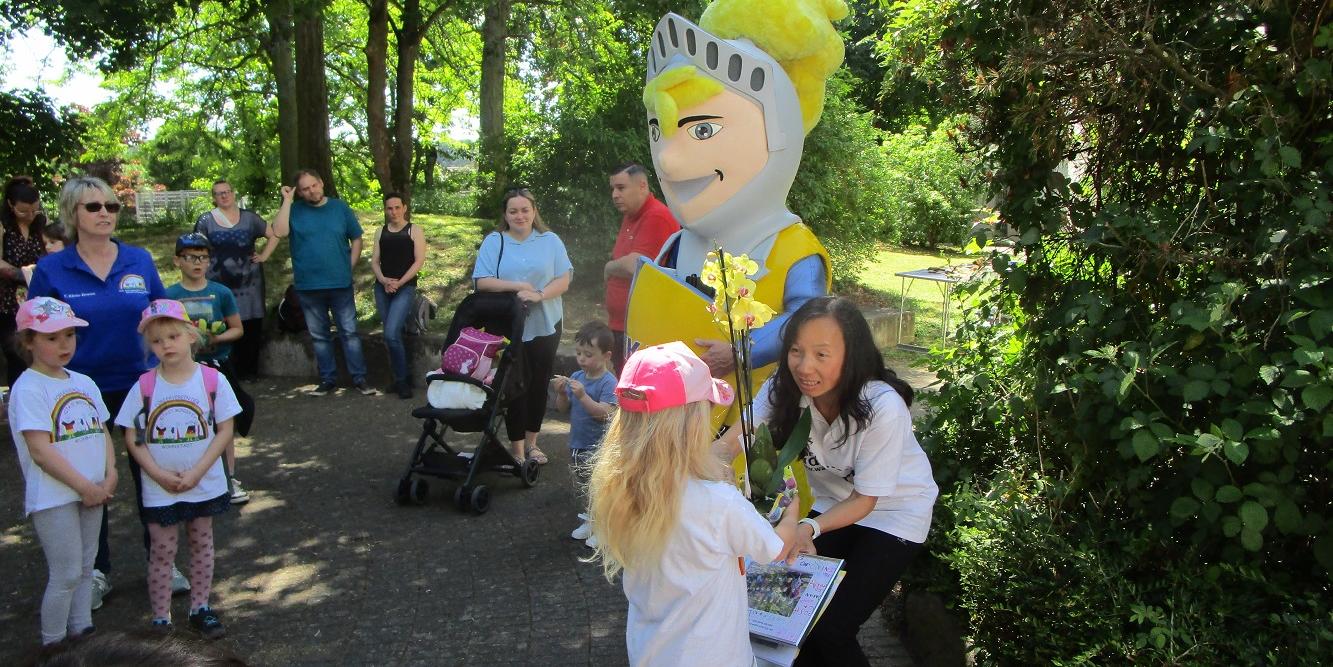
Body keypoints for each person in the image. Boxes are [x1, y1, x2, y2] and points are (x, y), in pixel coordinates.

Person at [627, 0, 845, 381]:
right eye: (659, 132)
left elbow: (807, 318)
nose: (667, 161)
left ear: (780, 134)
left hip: (752, 425)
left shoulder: (790, 248)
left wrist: (744, 352)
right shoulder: (677, 243)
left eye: (703, 129)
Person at [725, 296, 938, 666]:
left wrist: (806, 528)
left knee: (832, 629)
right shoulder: (785, 386)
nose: (805, 366)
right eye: (796, 351)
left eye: (821, 355)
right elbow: (736, 439)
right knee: (797, 624)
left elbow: (866, 500)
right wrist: (689, 475)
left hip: (893, 513)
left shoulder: (882, 406)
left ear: (851, 356)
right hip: (831, 504)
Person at [587, 341, 801, 666]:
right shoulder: (718, 502)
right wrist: (791, 509)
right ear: (692, 423)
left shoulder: (619, 490)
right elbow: (775, 548)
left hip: (650, 654)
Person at [28, 175, 168, 611]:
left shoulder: (139, 260)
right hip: (78, 394)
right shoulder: (52, 270)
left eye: (111, 206)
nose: (105, 212)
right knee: (90, 481)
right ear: (73, 214)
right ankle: (95, 572)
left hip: (139, 387)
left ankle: (161, 562)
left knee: (152, 476)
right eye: (93, 207)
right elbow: (35, 332)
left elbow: (162, 318)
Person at [115, 299, 241, 639]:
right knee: (162, 550)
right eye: (157, 341)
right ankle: (161, 617)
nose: (166, 345)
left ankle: (200, 607)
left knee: (202, 543)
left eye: (172, 336)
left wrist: (200, 470)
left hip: (203, 482)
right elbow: (133, 436)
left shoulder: (212, 380)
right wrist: (157, 474)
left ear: (190, 336)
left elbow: (225, 430)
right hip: (160, 488)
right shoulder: (144, 386)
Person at [6, 297, 116, 645]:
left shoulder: (83, 382)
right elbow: (40, 450)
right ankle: (52, 645)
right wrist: (84, 486)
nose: (64, 344)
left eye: (68, 335)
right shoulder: (29, 387)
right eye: (51, 338)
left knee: (86, 568)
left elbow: (101, 431)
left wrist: (110, 473)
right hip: (56, 496)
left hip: (94, 489)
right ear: (28, 341)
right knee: (66, 573)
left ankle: (82, 633)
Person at [471, 188, 571, 464]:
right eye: (513, 211)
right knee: (515, 385)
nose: (520, 215)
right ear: (505, 214)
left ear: (534, 211)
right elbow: (482, 281)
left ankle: (532, 444)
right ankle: (515, 450)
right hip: (508, 326)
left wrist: (539, 295)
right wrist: (519, 287)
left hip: (546, 323)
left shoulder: (550, 241)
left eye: (525, 209)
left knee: (538, 383)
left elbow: (564, 279)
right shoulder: (495, 241)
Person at [270, 169, 377, 397]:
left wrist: (351, 264)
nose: (311, 191)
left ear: (321, 183)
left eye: (314, 186)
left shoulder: (339, 208)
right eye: (305, 189)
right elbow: (278, 231)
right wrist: (287, 200)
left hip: (340, 283)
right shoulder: (295, 210)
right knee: (319, 336)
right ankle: (328, 379)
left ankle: (360, 378)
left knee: (349, 332)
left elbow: (356, 237)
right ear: (299, 192)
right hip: (308, 286)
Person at [166, 233, 253, 505]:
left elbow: (237, 329)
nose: (198, 263)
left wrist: (215, 339)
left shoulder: (221, 292)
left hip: (218, 365)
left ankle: (229, 477)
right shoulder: (170, 296)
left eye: (203, 257)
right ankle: (190, 474)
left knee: (223, 421)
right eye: (191, 257)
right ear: (178, 261)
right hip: (183, 369)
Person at [193, 179, 278, 381]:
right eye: (219, 193)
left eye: (227, 191)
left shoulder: (250, 218)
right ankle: (227, 370)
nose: (224, 196)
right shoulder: (205, 220)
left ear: (233, 193)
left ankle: (250, 371)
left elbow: (274, 234)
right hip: (218, 282)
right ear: (214, 198)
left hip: (250, 282)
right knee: (223, 324)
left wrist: (264, 255)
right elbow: (196, 248)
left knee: (251, 326)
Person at [603, 163, 679, 374]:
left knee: (636, 390)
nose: (615, 195)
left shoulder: (656, 216)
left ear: (642, 186)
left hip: (641, 327)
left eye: (621, 188)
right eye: (613, 189)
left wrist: (609, 268)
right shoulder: (630, 216)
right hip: (623, 325)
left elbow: (635, 264)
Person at [550, 321, 617, 547]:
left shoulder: (609, 382)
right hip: (577, 443)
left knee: (602, 488)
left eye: (588, 354)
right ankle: (592, 520)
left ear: (606, 355)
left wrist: (582, 397)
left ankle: (606, 528)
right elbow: (562, 409)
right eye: (578, 353)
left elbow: (605, 414)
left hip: (599, 447)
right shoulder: (577, 375)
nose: (581, 359)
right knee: (586, 487)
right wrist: (561, 394)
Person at [370, 192, 426, 399]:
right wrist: (384, 280)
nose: (393, 212)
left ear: (404, 208)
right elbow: (375, 261)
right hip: (383, 287)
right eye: (389, 208)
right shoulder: (380, 232)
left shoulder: (414, 230)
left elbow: (419, 261)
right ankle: (399, 377)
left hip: (405, 287)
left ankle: (403, 381)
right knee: (391, 335)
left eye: (396, 207)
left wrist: (399, 282)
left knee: (392, 333)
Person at [1, 176, 53, 385]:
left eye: (34, 210)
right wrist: (23, 274)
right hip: (7, 299)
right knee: (14, 352)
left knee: (38, 349)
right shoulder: (4, 226)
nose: (30, 216)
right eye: (23, 211)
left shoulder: (41, 222)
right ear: (10, 205)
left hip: (36, 296)